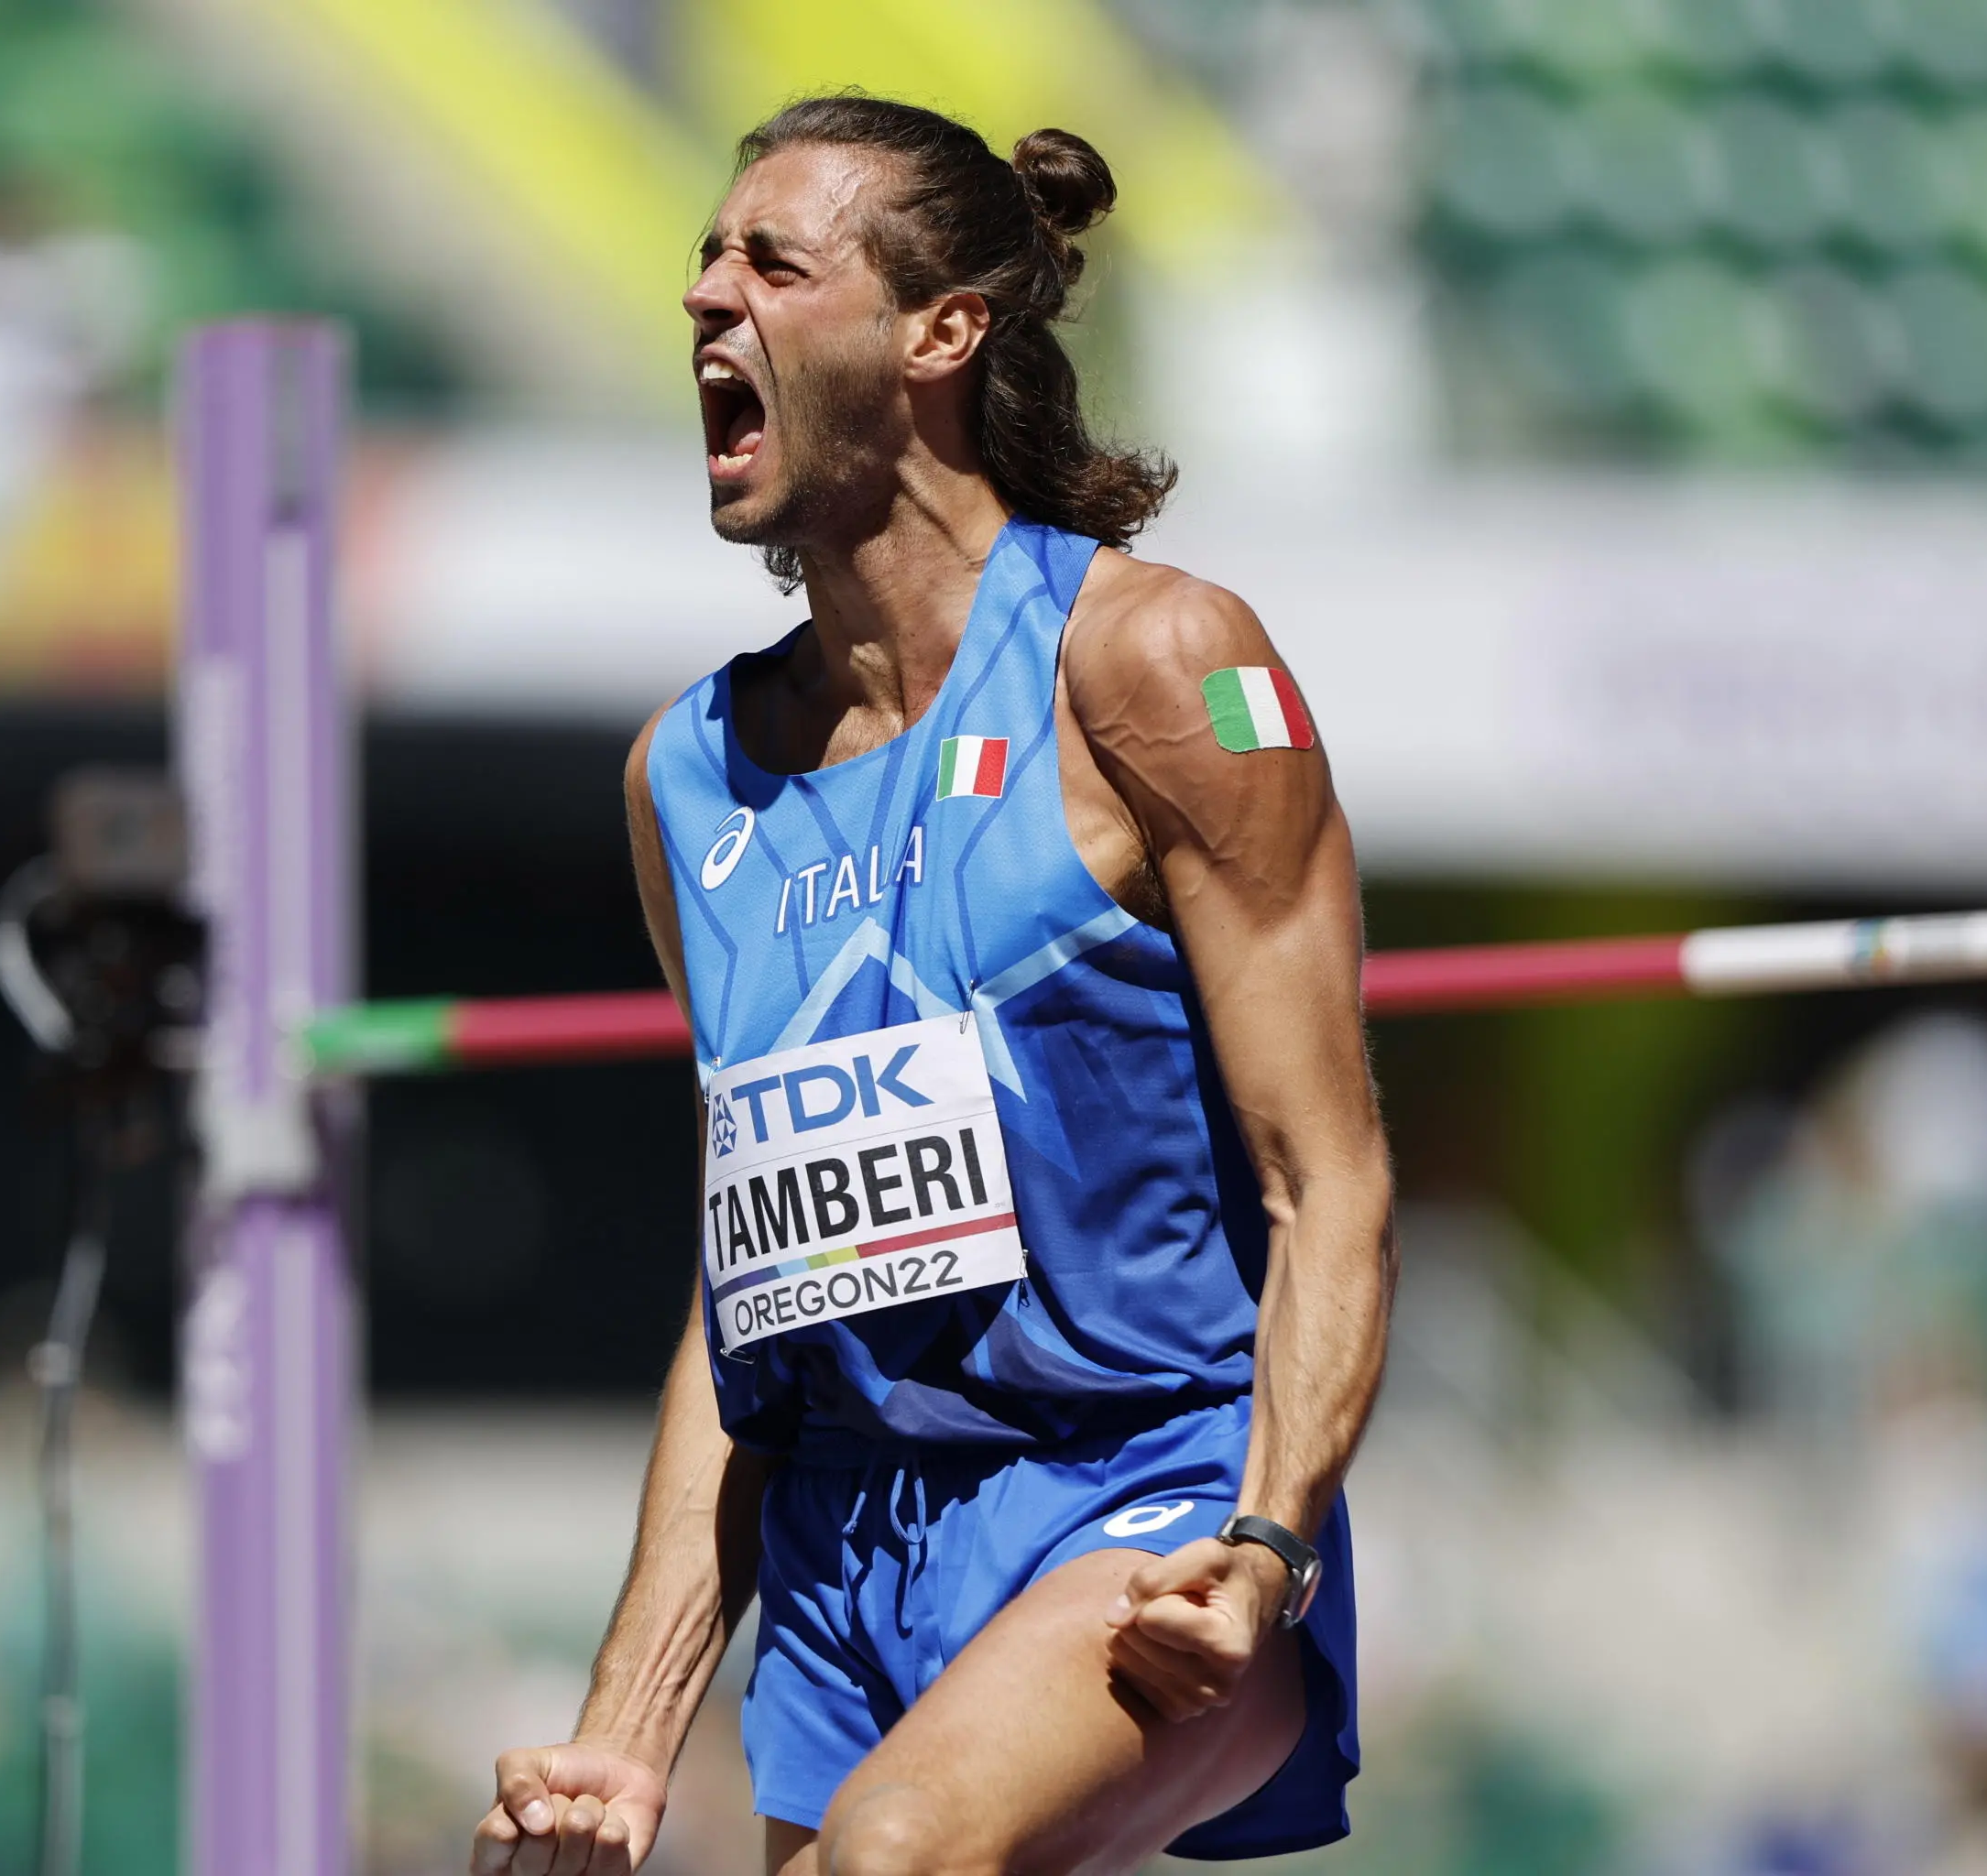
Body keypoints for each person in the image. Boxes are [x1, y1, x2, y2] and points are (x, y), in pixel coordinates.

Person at [472, 95, 1393, 1876]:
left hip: (1148, 1494)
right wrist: (628, 1726)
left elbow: (1328, 1175)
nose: (703, 300)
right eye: (701, 261)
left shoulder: (1152, 659)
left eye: (770, 262)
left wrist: (1273, 1533)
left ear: (941, 333)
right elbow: (748, 1295)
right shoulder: (689, 774)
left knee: (895, 1853)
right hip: (842, 1553)